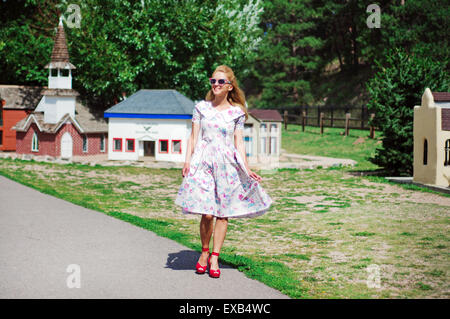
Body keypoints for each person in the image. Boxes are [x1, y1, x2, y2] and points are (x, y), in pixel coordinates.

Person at [174, 65, 272, 278]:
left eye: (220, 82)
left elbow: (239, 143)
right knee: (207, 212)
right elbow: (193, 137)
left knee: (223, 213)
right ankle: (204, 252)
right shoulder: (201, 108)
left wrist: (247, 168)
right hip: (204, 162)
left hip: (227, 164)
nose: (216, 85)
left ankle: (215, 257)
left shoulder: (236, 112)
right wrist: (187, 161)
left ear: (229, 86)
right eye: (213, 81)